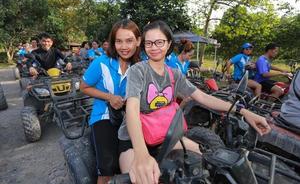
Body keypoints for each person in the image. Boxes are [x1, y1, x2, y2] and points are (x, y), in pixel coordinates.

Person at [117, 20, 271, 184]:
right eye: (149, 43)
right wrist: (141, 155)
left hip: (164, 136)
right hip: (134, 141)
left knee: (205, 161)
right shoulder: (138, 71)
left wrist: (244, 112)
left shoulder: (174, 74)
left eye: (159, 42)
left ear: (169, 44)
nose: (154, 47)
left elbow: (203, 97)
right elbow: (132, 109)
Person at [80, 19, 141, 184]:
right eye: (119, 41)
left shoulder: (140, 65)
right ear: (113, 43)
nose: (124, 46)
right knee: (107, 168)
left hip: (130, 117)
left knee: (135, 163)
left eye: (129, 40)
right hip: (104, 116)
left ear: (138, 41)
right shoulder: (101, 62)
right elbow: (83, 87)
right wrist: (109, 97)